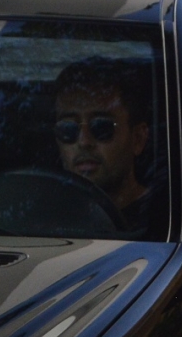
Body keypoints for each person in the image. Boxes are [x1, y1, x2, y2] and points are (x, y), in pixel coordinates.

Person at [52, 62, 162, 235]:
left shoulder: (169, 223)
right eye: (68, 128)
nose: (84, 141)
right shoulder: (43, 218)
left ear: (138, 139)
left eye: (101, 127)